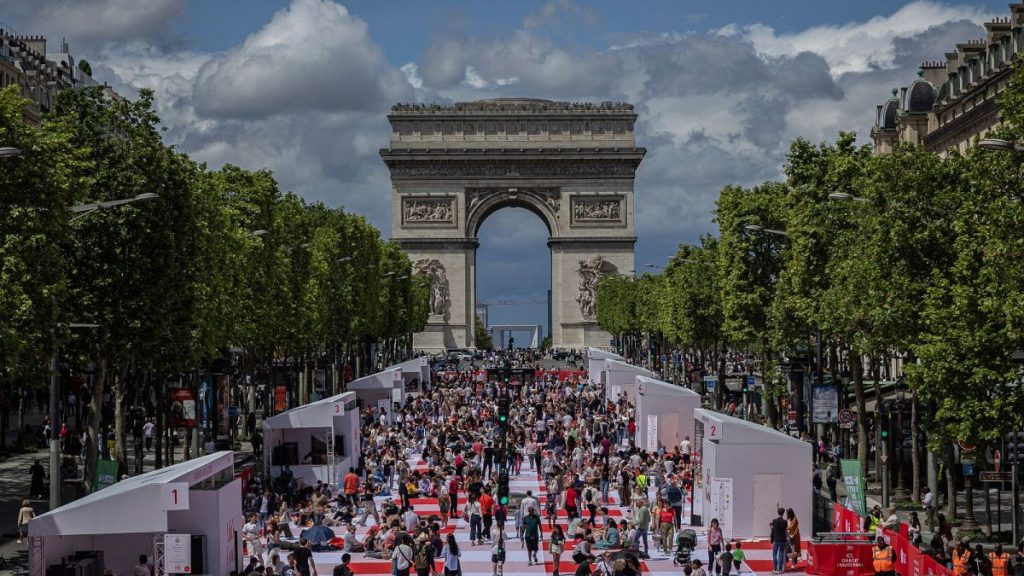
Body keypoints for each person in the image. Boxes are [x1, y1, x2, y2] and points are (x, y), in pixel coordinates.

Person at [770, 508, 788, 574]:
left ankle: (775, 568)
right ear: (783, 513)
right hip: (783, 540)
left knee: (774, 554)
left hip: (776, 539)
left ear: (778, 513)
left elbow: (772, 529)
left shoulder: (774, 521)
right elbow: (786, 531)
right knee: (781, 554)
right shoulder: (785, 521)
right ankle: (780, 569)